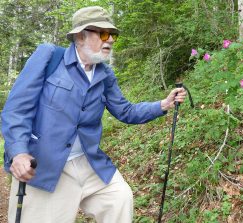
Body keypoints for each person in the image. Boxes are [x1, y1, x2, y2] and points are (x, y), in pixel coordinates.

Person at [1, 6, 186, 223]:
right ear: (80, 36)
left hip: (88, 162)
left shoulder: (105, 75)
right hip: (46, 164)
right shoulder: (49, 57)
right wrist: (19, 152)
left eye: (113, 35)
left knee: (120, 198)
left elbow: (125, 111)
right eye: (104, 34)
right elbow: (16, 110)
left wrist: (163, 104)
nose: (110, 41)